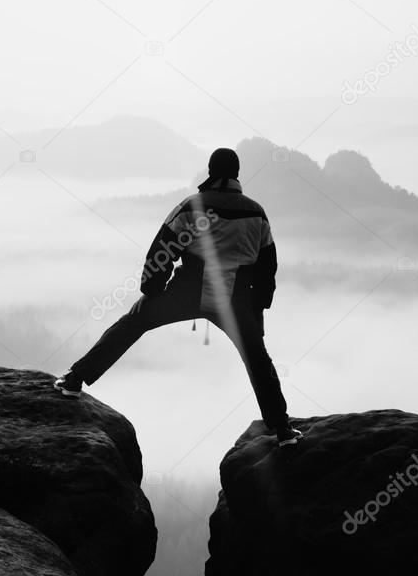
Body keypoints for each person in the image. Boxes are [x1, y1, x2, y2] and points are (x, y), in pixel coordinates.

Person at [54, 147, 303, 447]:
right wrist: (257, 308)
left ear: (210, 171)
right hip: (235, 302)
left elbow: (162, 252)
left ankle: (74, 380)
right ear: (237, 174)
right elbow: (267, 267)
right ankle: (282, 431)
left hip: (186, 291)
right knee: (258, 360)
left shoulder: (191, 207)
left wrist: (152, 293)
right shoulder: (256, 213)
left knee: (133, 323)